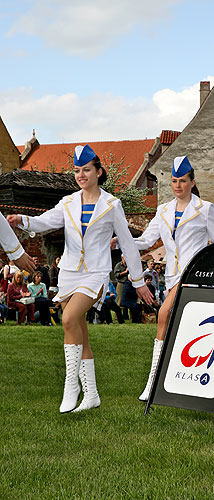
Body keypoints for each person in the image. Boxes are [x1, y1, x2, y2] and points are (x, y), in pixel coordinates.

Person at [7, 144, 152, 413]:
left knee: (69, 319)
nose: (81, 175)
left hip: (96, 273)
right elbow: (46, 221)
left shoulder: (112, 204)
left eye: (86, 170)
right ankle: (92, 395)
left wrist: (139, 280)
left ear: (98, 172)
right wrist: (23, 220)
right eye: (77, 171)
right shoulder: (69, 202)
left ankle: (70, 385)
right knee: (80, 333)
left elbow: (130, 246)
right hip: (69, 273)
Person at [128, 155, 214, 401]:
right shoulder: (162, 211)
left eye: (182, 181)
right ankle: (189, 378)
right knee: (184, 327)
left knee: (163, 315)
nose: (177, 186)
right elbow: (147, 241)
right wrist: (122, 240)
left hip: (194, 276)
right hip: (172, 277)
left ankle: (153, 381)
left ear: (192, 182)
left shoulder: (205, 209)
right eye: (174, 181)